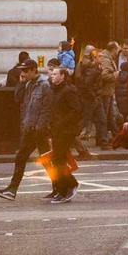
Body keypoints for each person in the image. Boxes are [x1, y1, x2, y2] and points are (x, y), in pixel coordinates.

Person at [0, 60, 52, 199]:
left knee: (32, 158)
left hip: (38, 130)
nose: (22, 73)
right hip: (29, 128)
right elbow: (18, 99)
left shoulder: (45, 85)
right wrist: (21, 82)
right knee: (35, 159)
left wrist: (40, 127)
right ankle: (12, 190)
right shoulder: (29, 84)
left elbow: (47, 109)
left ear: (33, 70)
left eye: (25, 71)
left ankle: (13, 189)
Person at [46, 63, 82, 203]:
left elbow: (76, 110)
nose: (52, 76)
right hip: (56, 130)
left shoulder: (68, 91)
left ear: (62, 76)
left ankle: (68, 187)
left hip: (66, 131)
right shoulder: (54, 90)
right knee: (58, 159)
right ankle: (64, 187)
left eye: (55, 74)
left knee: (58, 159)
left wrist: (62, 122)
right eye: (52, 74)